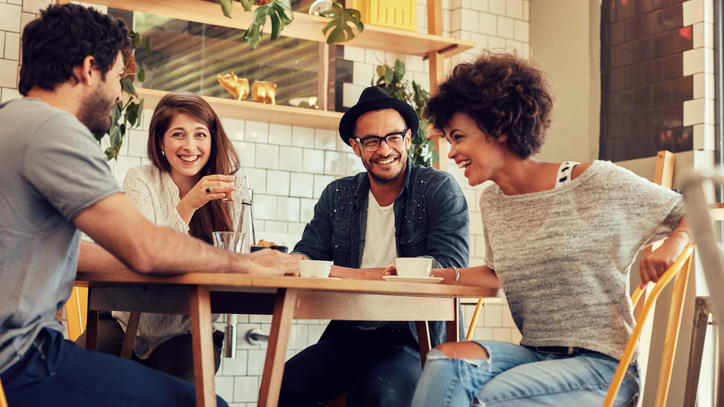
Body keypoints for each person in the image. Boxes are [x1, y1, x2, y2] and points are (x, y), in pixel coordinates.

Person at [0, 4, 297, 406]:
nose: (120, 94)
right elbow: (146, 248)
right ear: (90, 69)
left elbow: (79, 255)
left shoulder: (12, 122)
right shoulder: (55, 132)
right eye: (119, 77)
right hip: (24, 358)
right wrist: (247, 263)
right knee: (207, 403)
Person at [409, 53, 691, 407]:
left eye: (458, 137)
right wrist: (432, 276)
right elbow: (498, 274)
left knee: (491, 397)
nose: (452, 153)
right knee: (445, 362)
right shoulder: (494, 202)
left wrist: (675, 243)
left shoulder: (595, 182)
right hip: (534, 356)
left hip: (603, 366)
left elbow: (694, 208)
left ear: (498, 127)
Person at [278, 86, 471, 407]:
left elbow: (449, 265)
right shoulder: (338, 195)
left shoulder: (437, 188)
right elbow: (308, 253)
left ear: (408, 139)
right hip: (349, 335)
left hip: (414, 339)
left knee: (378, 394)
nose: (384, 150)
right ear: (356, 147)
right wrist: (287, 261)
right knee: (284, 385)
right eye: (371, 141)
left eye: (393, 137)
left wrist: (352, 274)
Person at [76, 92, 246, 382]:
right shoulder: (141, 178)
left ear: (213, 139)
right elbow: (147, 254)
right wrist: (188, 204)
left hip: (189, 331)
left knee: (183, 389)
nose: (190, 146)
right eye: (178, 134)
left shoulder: (231, 187)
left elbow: (236, 256)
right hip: (127, 322)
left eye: (200, 134)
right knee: (70, 376)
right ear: (160, 142)